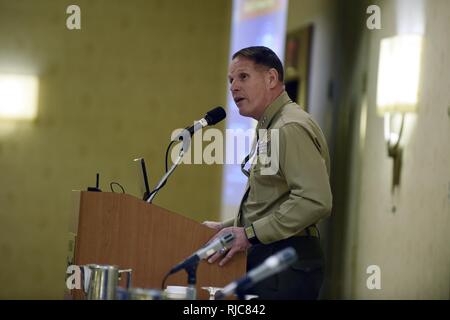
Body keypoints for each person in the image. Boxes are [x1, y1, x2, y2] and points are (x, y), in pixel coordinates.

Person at [203, 46, 332, 300]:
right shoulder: (271, 127)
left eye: (243, 77)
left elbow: (314, 200)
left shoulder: (289, 127)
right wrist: (227, 227)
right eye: (231, 80)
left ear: (271, 78)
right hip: (273, 259)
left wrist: (248, 234)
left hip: (286, 261)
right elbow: (273, 202)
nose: (233, 87)